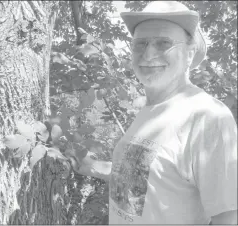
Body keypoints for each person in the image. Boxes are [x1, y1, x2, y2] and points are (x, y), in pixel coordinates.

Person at [66, 1, 237, 224]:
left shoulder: (208, 116)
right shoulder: (149, 110)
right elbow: (148, 178)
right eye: (140, 43)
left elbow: (228, 217)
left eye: (163, 43)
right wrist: (94, 167)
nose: (148, 54)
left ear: (189, 53)